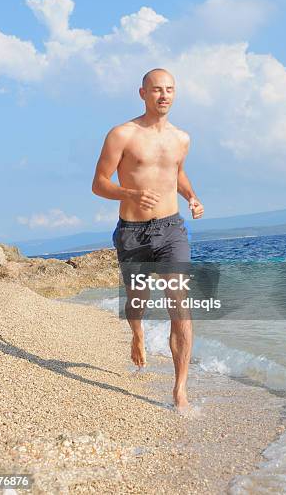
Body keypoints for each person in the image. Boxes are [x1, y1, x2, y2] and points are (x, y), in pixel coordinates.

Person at [91, 68, 204, 410]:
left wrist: (192, 197)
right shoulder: (122, 134)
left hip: (171, 229)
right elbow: (99, 183)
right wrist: (130, 193)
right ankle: (137, 334)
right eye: (156, 90)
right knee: (136, 302)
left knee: (180, 306)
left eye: (169, 89)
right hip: (132, 232)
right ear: (142, 93)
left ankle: (180, 389)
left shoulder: (182, 138)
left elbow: (177, 172)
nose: (164, 95)